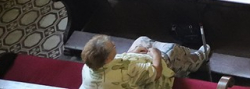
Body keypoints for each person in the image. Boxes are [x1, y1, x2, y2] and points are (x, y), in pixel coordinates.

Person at [80, 34, 209, 89]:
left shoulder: (89, 66)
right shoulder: (126, 72)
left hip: (131, 71)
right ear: (107, 59)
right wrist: (156, 54)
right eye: (112, 46)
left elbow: (117, 62)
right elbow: (156, 72)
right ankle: (195, 61)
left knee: (141, 41)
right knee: (171, 50)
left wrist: (132, 53)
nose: (114, 44)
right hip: (150, 81)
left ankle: (181, 65)